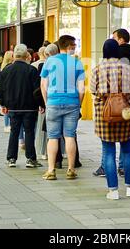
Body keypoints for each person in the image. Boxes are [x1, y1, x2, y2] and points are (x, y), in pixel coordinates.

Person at [90, 39, 130, 200]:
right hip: (125, 113)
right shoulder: (126, 68)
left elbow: (93, 90)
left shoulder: (97, 69)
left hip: (104, 114)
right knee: (127, 150)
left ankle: (113, 191)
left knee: (108, 152)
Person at [95, 28, 130, 177]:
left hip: (112, 106)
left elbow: (95, 90)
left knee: (108, 144)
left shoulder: (117, 58)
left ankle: (107, 170)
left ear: (120, 40)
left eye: (114, 38)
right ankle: (128, 170)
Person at [40, 35, 85, 180]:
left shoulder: (49, 61)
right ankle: (71, 169)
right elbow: (82, 89)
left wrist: (47, 103)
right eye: (74, 45)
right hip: (72, 102)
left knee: (52, 137)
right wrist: (79, 105)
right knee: (70, 136)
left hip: (53, 101)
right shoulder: (77, 63)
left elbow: (43, 85)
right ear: (70, 46)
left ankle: (51, 170)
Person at [0, 44, 42, 168]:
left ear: (14, 55)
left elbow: (1, 89)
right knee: (29, 132)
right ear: (26, 56)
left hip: (13, 107)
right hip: (30, 107)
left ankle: (11, 158)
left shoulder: (6, 70)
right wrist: (40, 104)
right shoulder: (32, 70)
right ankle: (30, 159)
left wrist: (3, 103)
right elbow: (36, 90)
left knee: (14, 132)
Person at [0, 51, 14, 132]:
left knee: (6, 109)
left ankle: (6, 125)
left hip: (5, 92)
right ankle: (9, 125)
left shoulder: (3, 66)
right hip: (10, 91)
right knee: (9, 110)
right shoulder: (11, 67)